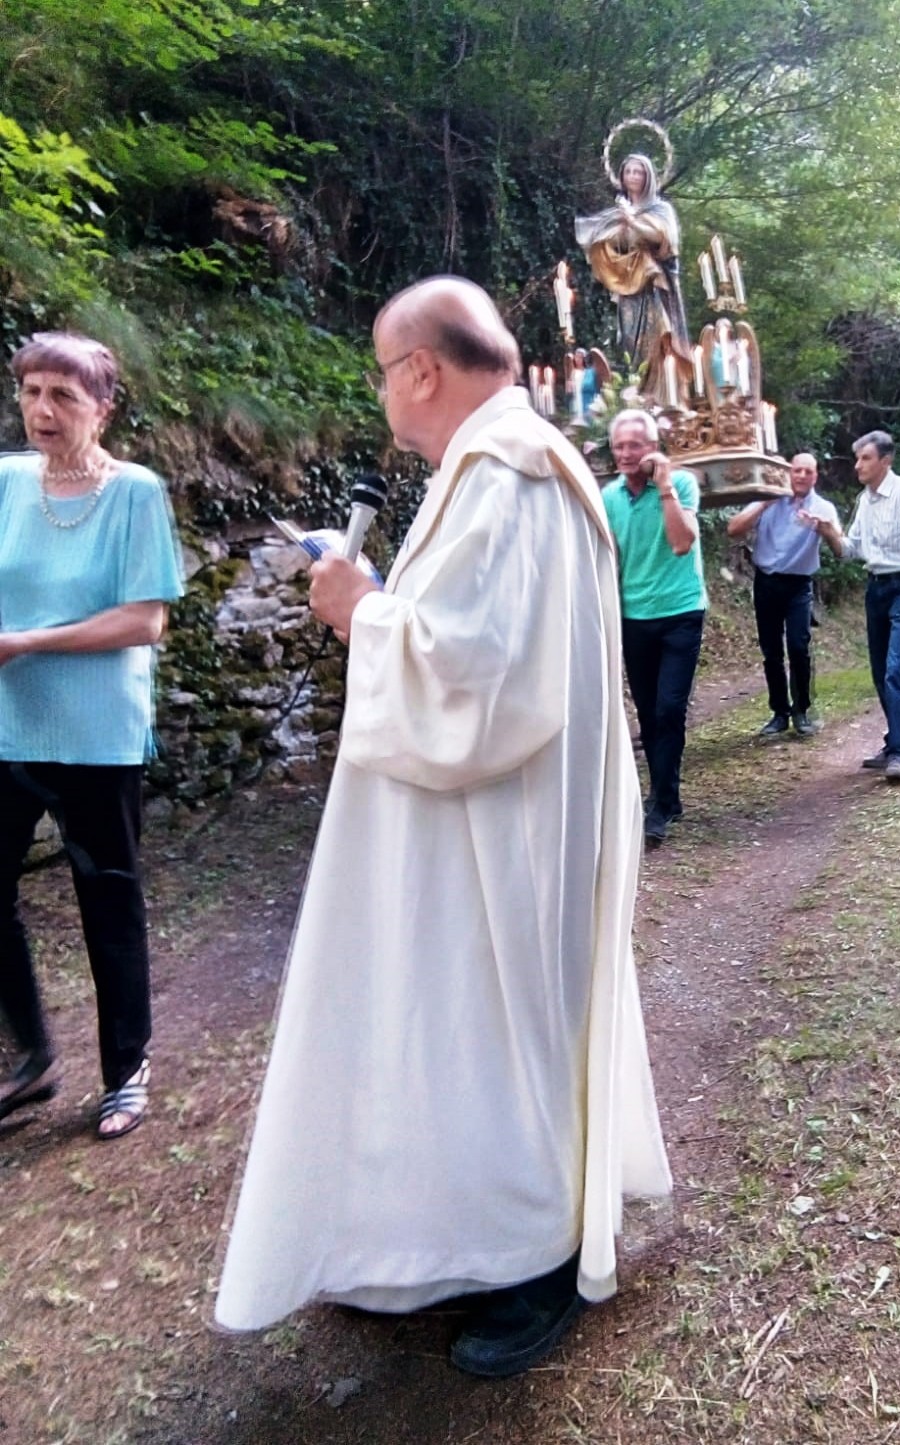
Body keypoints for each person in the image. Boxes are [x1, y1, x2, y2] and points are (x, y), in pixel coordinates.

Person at [215, 279, 671, 1378]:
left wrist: (358, 609)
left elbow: (478, 678)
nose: (383, 398)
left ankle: (533, 1259)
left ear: (421, 369)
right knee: (456, 1027)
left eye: (383, 373)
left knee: (494, 1027)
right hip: (476, 822)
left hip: (498, 830)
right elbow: (466, 642)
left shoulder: (509, 477)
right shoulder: (490, 470)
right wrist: (380, 599)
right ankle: (451, 1239)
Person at [0, 332, 183, 1139]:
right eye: (32, 391)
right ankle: (32, 1055)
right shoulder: (5, 482)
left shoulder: (136, 493)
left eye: (63, 396)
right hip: (8, 726)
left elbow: (145, 619)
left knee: (106, 898)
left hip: (95, 733)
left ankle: (126, 1068)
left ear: (102, 410)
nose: (42, 409)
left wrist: (26, 641)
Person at [807, 430, 900, 784]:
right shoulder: (864, 500)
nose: (858, 466)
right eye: (857, 459)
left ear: (886, 460)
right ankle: (895, 743)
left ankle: (898, 752)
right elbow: (850, 550)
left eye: (866, 458)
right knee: (880, 670)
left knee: (895, 669)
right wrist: (827, 532)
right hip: (876, 588)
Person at [602, 408, 706, 847]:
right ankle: (668, 796)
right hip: (634, 616)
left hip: (681, 611)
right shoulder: (607, 497)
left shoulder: (680, 484)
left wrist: (664, 486)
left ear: (652, 448)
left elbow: (682, 543)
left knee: (668, 708)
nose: (627, 453)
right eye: (620, 446)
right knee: (647, 712)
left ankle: (661, 803)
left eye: (635, 445)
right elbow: (606, 558)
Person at [727, 451, 839, 736]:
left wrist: (824, 530)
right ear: (788, 472)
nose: (801, 476)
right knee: (771, 650)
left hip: (799, 585)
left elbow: (840, 549)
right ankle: (779, 711)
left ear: (816, 476)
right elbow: (734, 528)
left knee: (799, 647)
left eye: (808, 472)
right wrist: (765, 502)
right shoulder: (768, 499)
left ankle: (802, 709)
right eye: (797, 470)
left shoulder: (823, 508)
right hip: (766, 582)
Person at [575, 153, 690, 403]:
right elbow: (613, 243)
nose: (633, 177)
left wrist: (632, 221)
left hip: (655, 286)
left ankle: (664, 398)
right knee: (630, 340)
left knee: (659, 336)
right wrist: (614, 231)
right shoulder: (620, 210)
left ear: (648, 176)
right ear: (622, 176)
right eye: (628, 172)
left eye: (638, 172)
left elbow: (664, 240)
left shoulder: (661, 208)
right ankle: (637, 392)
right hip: (630, 286)